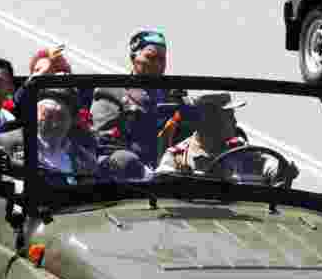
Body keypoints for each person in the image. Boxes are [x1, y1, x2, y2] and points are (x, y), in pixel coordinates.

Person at [90, 30, 186, 177]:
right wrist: (140, 169)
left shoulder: (175, 96)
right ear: (133, 58)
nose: (157, 64)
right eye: (150, 57)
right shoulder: (111, 92)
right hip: (128, 174)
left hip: (171, 171)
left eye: (162, 59)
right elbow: (105, 144)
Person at [155, 93, 288, 184]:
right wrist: (181, 179)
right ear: (208, 120)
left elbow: (265, 164)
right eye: (228, 116)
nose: (235, 121)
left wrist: (279, 170)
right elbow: (161, 181)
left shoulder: (240, 150)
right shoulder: (177, 156)